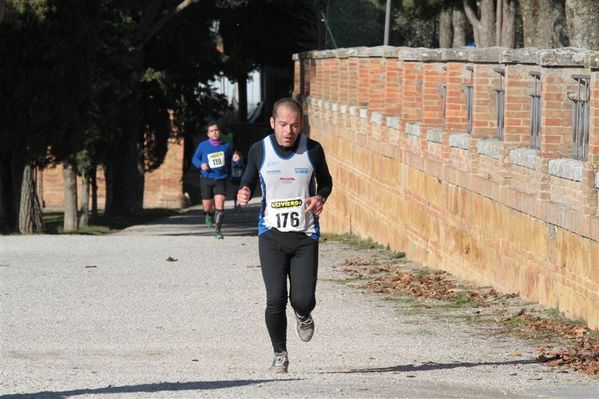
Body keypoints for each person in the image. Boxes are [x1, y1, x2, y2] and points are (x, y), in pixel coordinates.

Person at [236, 98, 333, 373]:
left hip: (305, 235)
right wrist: (244, 191)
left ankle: (303, 314)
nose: (289, 131)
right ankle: (280, 353)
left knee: (301, 299)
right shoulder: (259, 150)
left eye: (294, 125)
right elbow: (248, 179)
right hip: (271, 235)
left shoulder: (312, 150)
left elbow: (326, 181)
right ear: (272, 123)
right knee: (275, 299)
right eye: (283, 125)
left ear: (301, 124)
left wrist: (320, 196)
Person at [192, 121, 232, 239]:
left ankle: (218, 231)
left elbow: (229, 160)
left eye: (216, 130)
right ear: (208, 134)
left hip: (221, 178)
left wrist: (234, 161)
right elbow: (195, 159)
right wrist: (201, 165)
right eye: (211, 131)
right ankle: (208, 215)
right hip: (206, 178)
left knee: (220, 204)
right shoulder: (203, 146)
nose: (214, 133)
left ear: (220, 131)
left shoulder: (226, 146)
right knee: (207, 206)